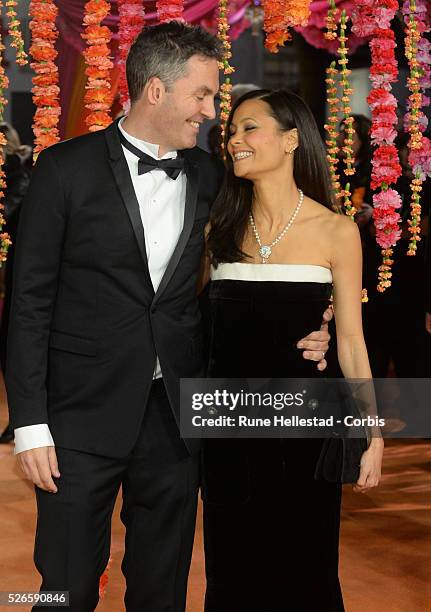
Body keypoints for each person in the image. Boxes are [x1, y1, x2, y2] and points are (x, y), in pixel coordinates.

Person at [5, 23, 331, 612]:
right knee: (63, 588)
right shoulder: (63, 169)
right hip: (78, 417)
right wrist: (29, 423)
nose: (210, 113)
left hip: (176, 419)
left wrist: (315, 321)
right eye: (202, 96)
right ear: (156, 90)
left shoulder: (212, 177)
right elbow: (28, 301)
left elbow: (275, 249)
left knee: (163, 588)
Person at [200, 89, 384, 612]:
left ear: (291, 139)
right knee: (232, 570)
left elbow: (350, 338)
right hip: (227, 431)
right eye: (230, 131)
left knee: (306, 568)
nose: (234, 139)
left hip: (308, 425)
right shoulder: (219, 228)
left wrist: (372, 432)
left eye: (248, 127)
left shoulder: (337, 230)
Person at [0, 122, 32, 444]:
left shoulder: (18, 170)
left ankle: (19, 419)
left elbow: (13, 208)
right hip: (11, 263)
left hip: (18, 264)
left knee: (12, 342)